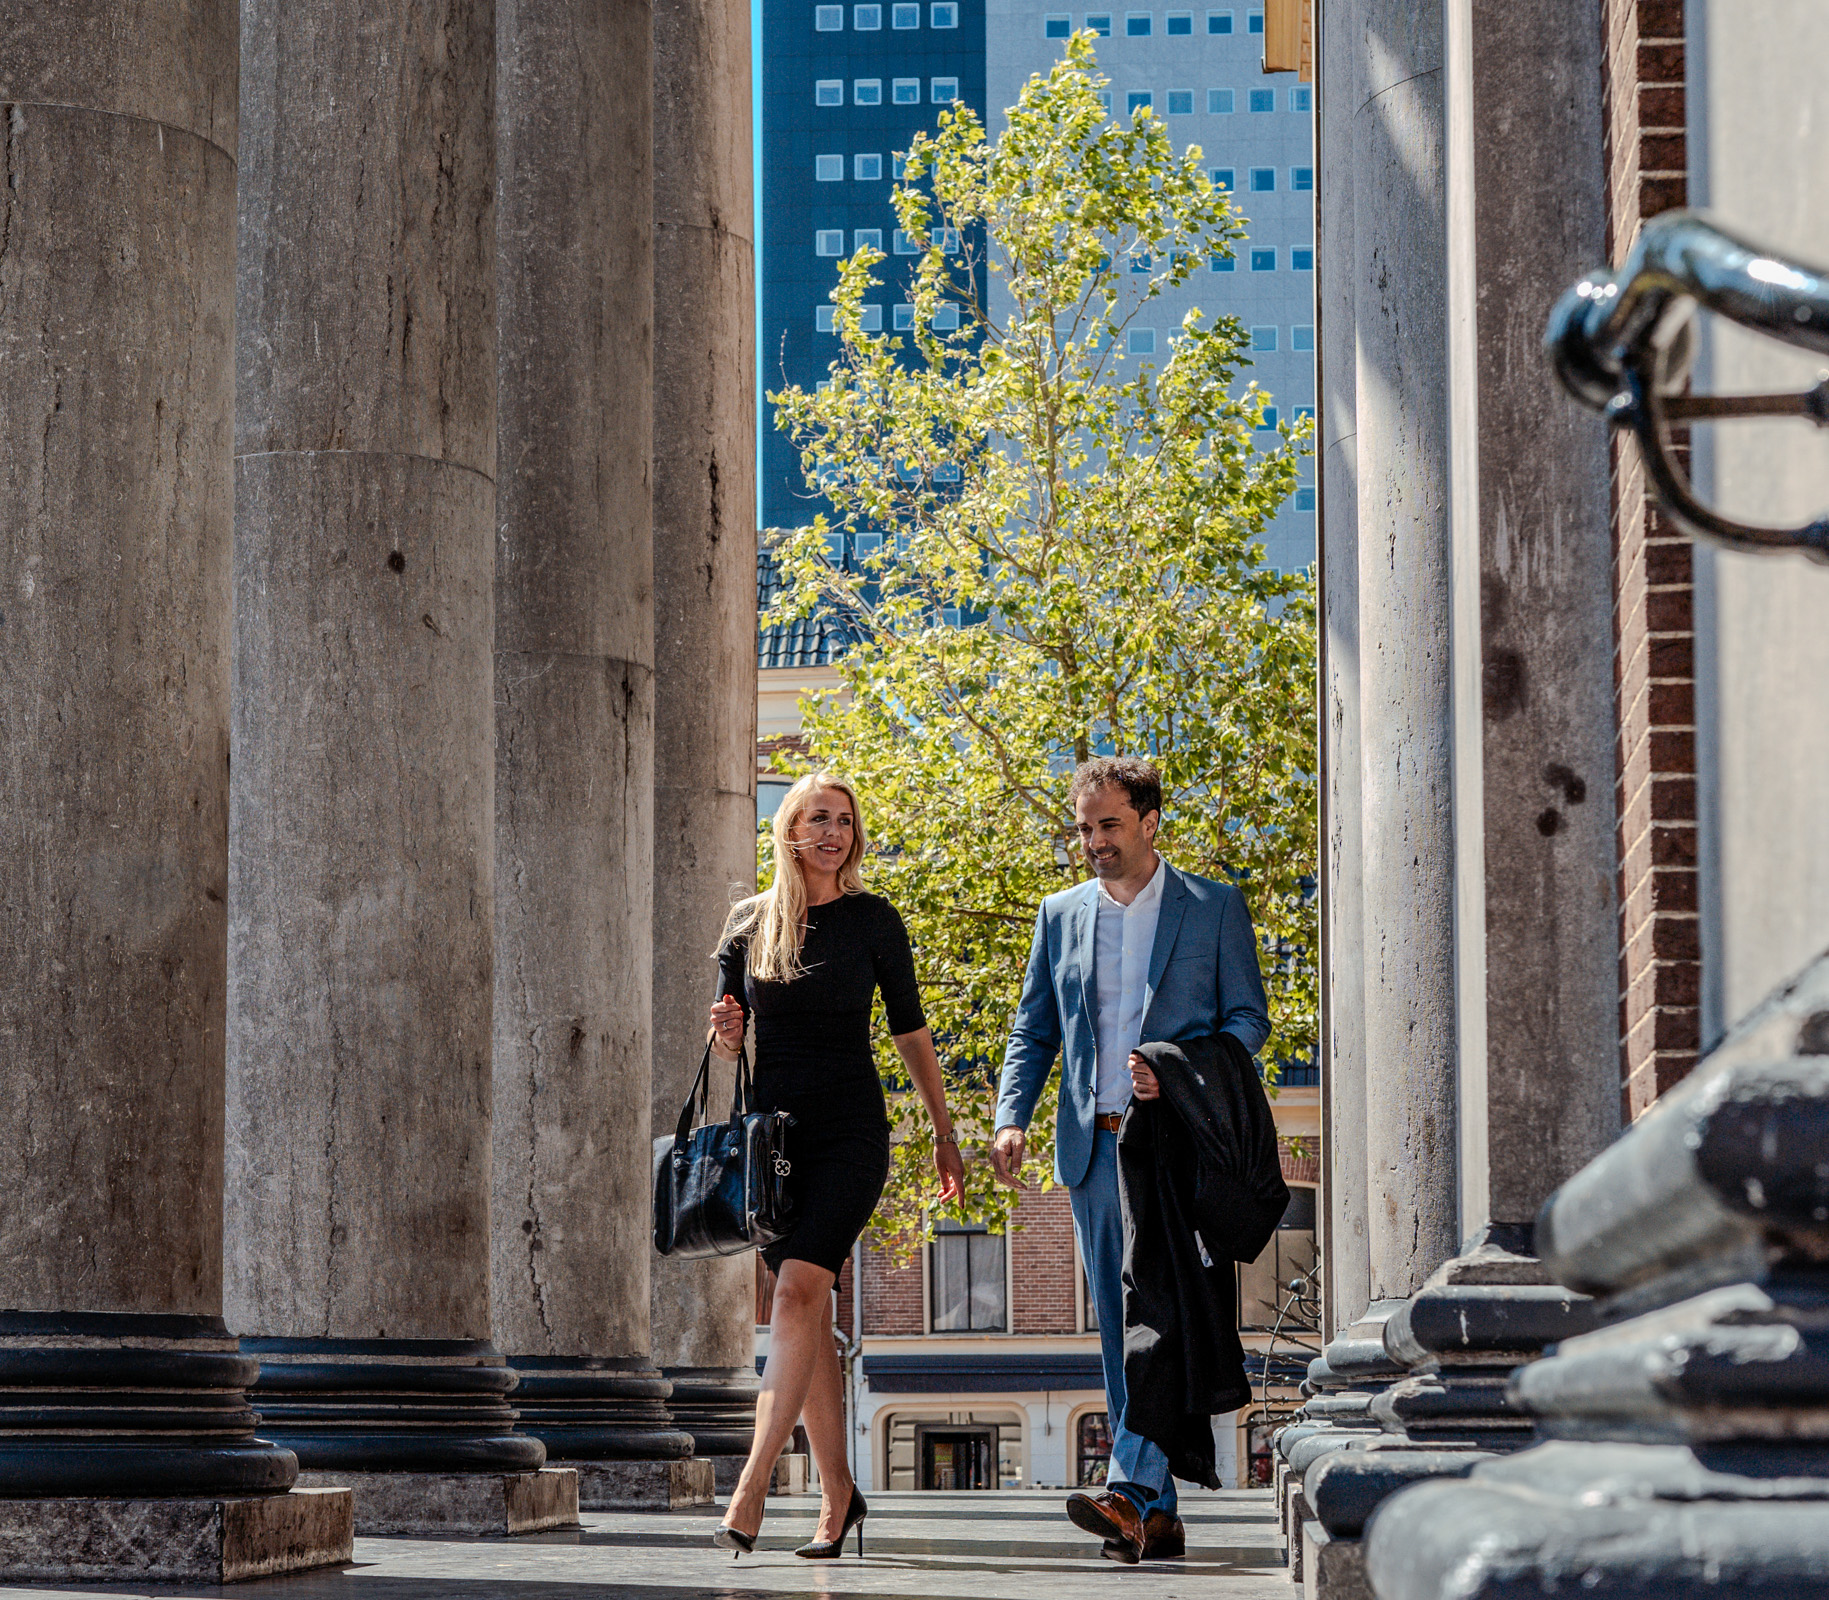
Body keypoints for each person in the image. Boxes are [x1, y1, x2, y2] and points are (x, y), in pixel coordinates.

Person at [992, 755, 1270, 1564]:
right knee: (1120, 1328)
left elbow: (1247, 1018)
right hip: (1093, 1146)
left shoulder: (1213, 908)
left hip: (1174, 1150)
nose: (1094, 842)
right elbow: (1032, 1028)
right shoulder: (1061, 913)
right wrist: (1012, 1116)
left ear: (1149, 822)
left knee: (1163, 1311)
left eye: (1108, 825)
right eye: (1083, 828)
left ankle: (1128, 1486)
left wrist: (1176, 1066)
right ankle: (1153, 1508)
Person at [709, 772, 964, 1560]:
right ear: (788, 830)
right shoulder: (749, 924)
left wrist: (943, 1129)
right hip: (775, 1145)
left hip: (852, 1132)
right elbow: (730, 1041)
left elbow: (910, 1031)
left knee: (794, 1292)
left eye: (845, 821)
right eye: (818, 818)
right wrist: (722, 1030)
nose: (834, 832)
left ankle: (749, 1488)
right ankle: (838, 1497)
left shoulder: (873, 920)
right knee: (808, 1313)